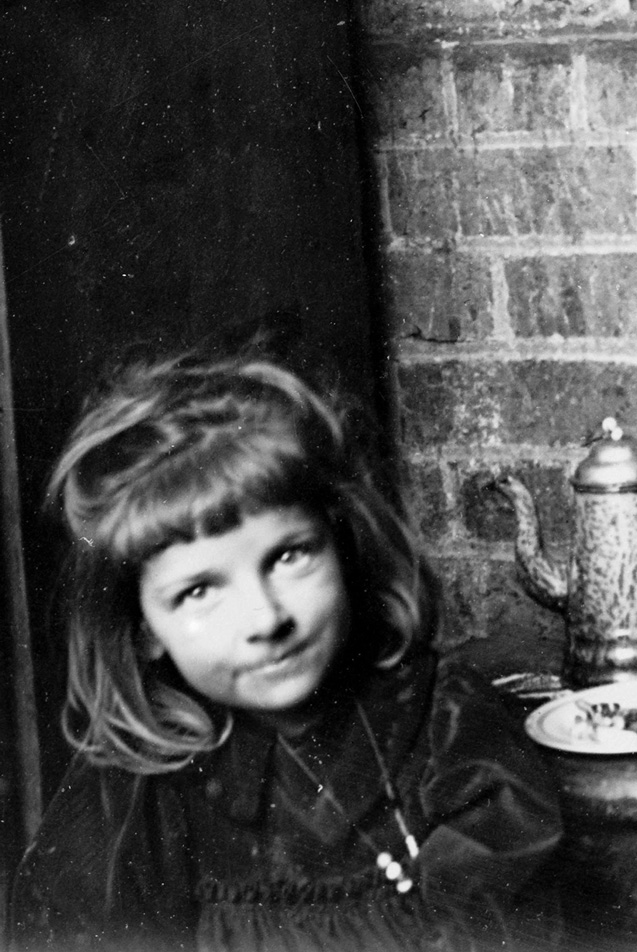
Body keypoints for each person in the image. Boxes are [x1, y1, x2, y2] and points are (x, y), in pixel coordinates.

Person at [11, 353, 564, 951]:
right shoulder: (134, 792)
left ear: (343, 544)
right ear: (142, 626)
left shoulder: (446, 726)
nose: (266, 618)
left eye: (289, 556)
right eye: (199, 591)